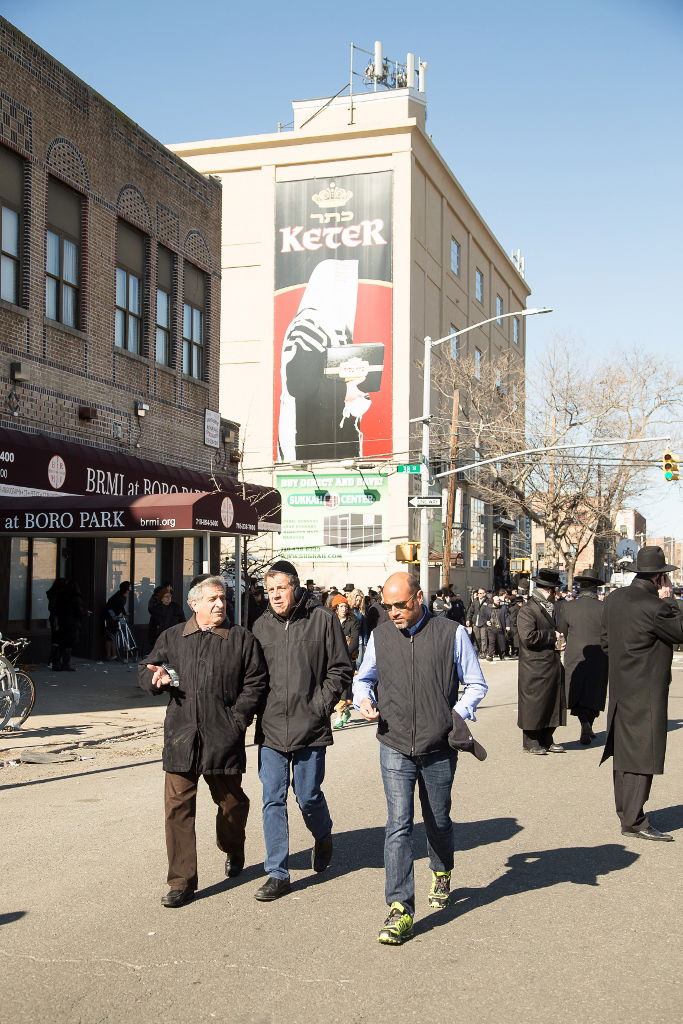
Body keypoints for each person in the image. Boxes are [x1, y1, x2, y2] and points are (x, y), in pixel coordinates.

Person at [354, 572, 488, 945]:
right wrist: (363, 700)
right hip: (394, 743)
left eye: (400, 605)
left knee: (438, 820)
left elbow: (476, 683)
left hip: (439, 746)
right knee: (398, 824)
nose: (393, 613)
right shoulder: (380, 636)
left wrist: (456, 714)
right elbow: (363, 679)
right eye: (387, 606)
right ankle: (400, 908)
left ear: (418, 599)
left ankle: (442, 870)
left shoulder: (451, 633)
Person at [139, 575, 268, 908]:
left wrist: (237, 720)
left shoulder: (241, 639)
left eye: (223, 598)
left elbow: (255, 682)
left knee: (232, 803)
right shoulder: (173, 637)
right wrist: (155, 679)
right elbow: (147, 669)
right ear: (194, 604)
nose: (220, 604)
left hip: (223, 737)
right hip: (181, 737)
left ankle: (232, 845)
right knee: (178, 808)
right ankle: (181, 882)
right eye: (213, 599)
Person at [251, 559, 354, 901]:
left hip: (310, 725)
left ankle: (323, 835)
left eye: (280, 588)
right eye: (270, 590)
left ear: (295, 587)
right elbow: (252, 677)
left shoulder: (322, 619)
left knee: (308, 795)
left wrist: (320, 705)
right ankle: (277, 873)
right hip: (271, 728)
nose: (275, 595)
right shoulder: (261, 626)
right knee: (272, 798)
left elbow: (340, 668)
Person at [600, 546, 683, 841]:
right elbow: (680, 632)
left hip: (621, 684)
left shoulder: (614, 599)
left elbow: (605, 642)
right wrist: (670, 600)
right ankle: (634, 821)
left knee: (625, 753)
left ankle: (627, 813)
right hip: (646, 688)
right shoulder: (656, 606)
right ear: (660, 578)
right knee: (642, 754)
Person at [554, 569, 608, 745]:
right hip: (600, 654)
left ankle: (584, 723)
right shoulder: (604, 607)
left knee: (576, 690)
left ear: (580, 588)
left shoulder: (568, 607)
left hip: (575, 654)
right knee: (594, 692)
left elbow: (562, 631)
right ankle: (588, 724)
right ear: (596, 588)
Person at [517, 568, 566, 754]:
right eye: (555, 590)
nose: (556, 594)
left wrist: (559, 641)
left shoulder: (550, 607)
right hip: (534, 666)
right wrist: (552, 636)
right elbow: (528, 637)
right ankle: (531, 741)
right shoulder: (528, 610)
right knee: (534, 704)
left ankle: (547, 738)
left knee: (551, 702)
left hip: (550, 662)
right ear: (549, 590)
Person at [333, 600, 360, 728]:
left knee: (344, 686)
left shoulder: (353, 621)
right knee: (336, 685)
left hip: (348, 658)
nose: (343, 609)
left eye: (345, 606)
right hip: (333, 658)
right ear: (336, 608)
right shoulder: (332, 620)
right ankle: (346, 710)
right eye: (341, 606)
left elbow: (354, 641)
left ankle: (339, 716)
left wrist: (345, 655)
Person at [54, 580, 89, 671]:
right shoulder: (76, 598)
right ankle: (66, 664)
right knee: (68, 644)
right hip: (72, 624)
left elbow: (57, 610)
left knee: (62, 643)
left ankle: (57, 664)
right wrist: (86, 613)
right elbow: (79, 611)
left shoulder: (62, 596)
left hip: (62, 623)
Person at [147, 585, 185, 653]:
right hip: (161, 637)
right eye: (166, 596)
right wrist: (152, 641)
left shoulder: (176, 607)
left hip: (174, 636)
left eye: (170, 596)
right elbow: (152, 627)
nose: (168, 598)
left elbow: (182, 621)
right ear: (161, 598)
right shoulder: (156, 609)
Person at [104, 581, 131, 660]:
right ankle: (109, 655)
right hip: (109, 617)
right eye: (130, 586)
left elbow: (121, 606)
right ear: (126, 588)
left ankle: (114, 655)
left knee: (113, 636)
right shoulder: (118, 597)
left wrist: (124, 613)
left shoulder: (123, 596)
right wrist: (113, 616)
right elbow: (109, 607)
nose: (131, 587)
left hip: (115, 616)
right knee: (110, 636)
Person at [46, 577, 67, 670]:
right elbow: (55, 609)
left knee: (56, 641)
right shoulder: (57, 595)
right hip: (57, 620)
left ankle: (53, 661)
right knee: (57, 641)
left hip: (56, 619)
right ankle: (54, 662)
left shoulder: (53, 594)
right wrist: (57, 623)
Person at [465, 587, 490, 656]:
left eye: (481, 593)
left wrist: (488, 620)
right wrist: (468, 619)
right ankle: (480, 650)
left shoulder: (488, 601)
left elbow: (490, 612)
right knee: (477, 638)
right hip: (475, 622)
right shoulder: (475, 601)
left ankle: (484, 652)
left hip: (484, 622)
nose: (479, 594)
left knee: (483, 638)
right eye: (478, 593)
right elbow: (470, 611)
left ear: (484, 594)